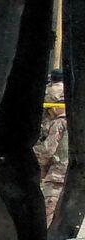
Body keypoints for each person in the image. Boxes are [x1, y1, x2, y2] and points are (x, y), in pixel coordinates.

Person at [35, 83, 68, 220]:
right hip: (71, 179)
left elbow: (47, 150)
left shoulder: (59, 123)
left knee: (47, 219)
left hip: (56, 180)